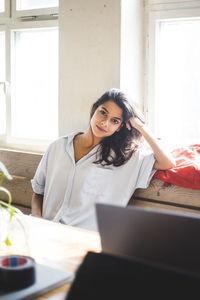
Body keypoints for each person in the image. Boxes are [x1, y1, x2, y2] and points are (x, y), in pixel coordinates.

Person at [31, 88, 176, 231]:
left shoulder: (124, 158)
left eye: (114, 120)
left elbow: (167, 162)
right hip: (45, 232)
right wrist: (38, 219)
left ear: (119, 127)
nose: (105, 123)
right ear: (94, 109)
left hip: (85, 241)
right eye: (103, 113)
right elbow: (38, 190)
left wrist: (141, 127)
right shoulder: (58, 146)